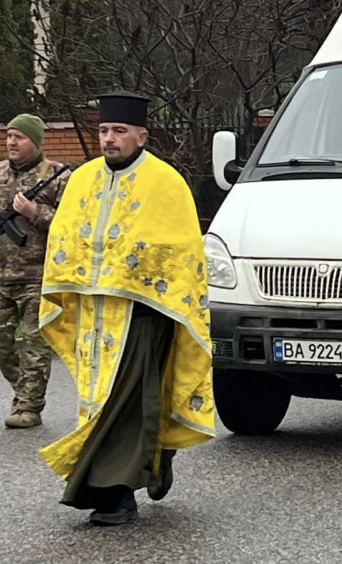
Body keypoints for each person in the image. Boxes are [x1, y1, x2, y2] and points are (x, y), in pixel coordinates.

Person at [38, 91, 214, 526]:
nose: (109, 139)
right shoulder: (82, 179)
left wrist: (137, 274)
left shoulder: (166, 182)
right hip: (94, 314)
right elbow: (66, 236)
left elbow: (182, 251)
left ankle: (114, 492)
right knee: (98, 401)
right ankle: (149, 464)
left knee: (127, 401)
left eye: (118, 131)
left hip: (143, 313)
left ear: (141, 135)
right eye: (103, 131)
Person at [0, 113, 70, 429]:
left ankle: (29, 408)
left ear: (35, 141)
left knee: (36, 346)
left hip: (40, 276)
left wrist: (36, 212)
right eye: (8, 136)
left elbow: (72, 225)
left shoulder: (58, 176)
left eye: (18, 137)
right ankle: (25, 390)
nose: (11, 142)